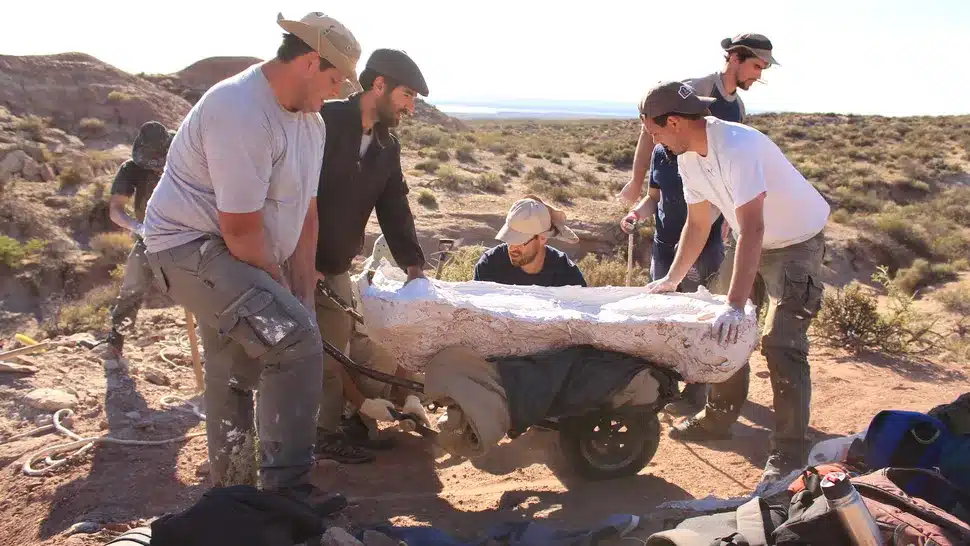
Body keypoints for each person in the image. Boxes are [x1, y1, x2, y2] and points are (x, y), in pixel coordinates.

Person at [140, 11, 362, 510]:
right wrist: (285, 299)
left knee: (237, 367)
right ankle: (286, 494)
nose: (336, 93)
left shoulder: (312, 124)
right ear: (310, 62)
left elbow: (306, 214)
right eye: (334, 80)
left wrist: (303, 293)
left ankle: (235, 499)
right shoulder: (239, 109)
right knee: (294, 343)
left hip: (239, 253)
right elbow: (240, 232)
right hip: (188, 248)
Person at [639, 80, 830, 483]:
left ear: (674, 122)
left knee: (781, 343)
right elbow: (697, 224)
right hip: (750, 240)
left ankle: (791, 450)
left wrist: (735, 304)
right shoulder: (687, 157)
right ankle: (718, 419)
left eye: (654, 131)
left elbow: (754, 228)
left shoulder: (737, 147)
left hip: (795, 243)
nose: (654, 141)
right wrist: (672, 279)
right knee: (719, 329)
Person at [619, 33, 780, 416]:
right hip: (675, 222)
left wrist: (728, 216)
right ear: (734, 58)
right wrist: (638, 183)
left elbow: (733, 171)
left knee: (705, 305)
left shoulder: (736, 108)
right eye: (756, 65)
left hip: (709, 223)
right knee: (667, 301)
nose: (759, 75)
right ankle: (668, 386)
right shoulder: (694, 91)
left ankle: (706, 386)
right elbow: (650, 130)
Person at [312, 48, 430, 463]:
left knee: (337, 346)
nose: (410, 108)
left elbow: (395, 207)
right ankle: (310, 436)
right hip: (289, 260)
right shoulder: (322, 121)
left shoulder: (386, 146)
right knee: (305, 350)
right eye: (407, 95)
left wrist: (414, 267)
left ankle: (340, 424)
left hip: (335, 264)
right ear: (379, 85)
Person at [102, 121, 175, 357]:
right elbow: (116, 209)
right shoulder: (131, 168)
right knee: (132, 287)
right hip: (149, 237)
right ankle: (116, 343)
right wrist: (137, 227)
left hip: (187, 234)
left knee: (207, 287)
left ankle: (220, 346)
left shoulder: (183, 155)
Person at [474, 196, 587, 287]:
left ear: (542, 238)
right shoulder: (490, 265)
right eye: (509, 239)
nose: (512, 247)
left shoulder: (566, 274)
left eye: (519, 241)